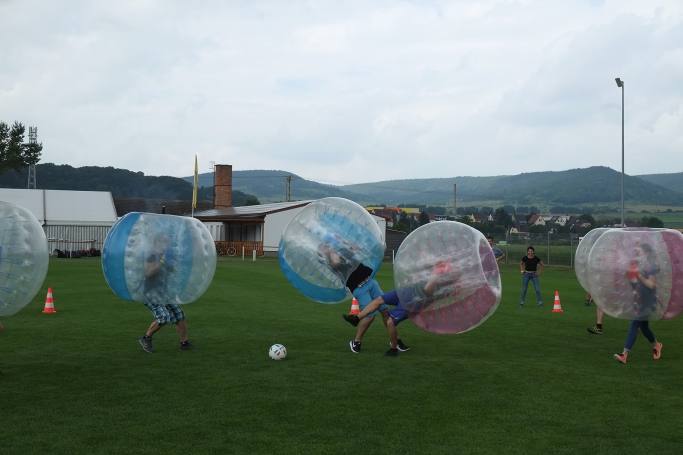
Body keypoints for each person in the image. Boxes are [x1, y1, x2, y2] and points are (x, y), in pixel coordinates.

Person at [319, 239, 409, 354]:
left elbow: (358, 251)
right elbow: (336, 262)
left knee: (385, 311)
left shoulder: (342, 253)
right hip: (359, 289)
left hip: (371, 282)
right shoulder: (331, 262)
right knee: (370, 315)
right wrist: (330, 252)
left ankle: (395, 341)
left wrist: (352, 247)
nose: (329, 246)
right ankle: (356, 342)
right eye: (325, 247)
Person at [342, 261, 451, 356]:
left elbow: (427, 291)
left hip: (412, 300)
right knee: (376, 305)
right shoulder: (340, 260)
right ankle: (356, 323)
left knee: (387, 316)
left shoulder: (441, 286)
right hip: (404, 292)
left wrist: (436, 274)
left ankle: (394, 345)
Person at [138, 233, 192, 353]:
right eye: (163, 242)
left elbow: (172, 271)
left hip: (163, 293)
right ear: (157, 243)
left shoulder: (166, 256)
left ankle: (184, 342)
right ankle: (146, 338)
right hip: (150, 294)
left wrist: (173, 265)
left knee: (179, 315)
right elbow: (148, 273)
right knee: (164, 317)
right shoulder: (151, 256)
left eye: (167, 243)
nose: (166, 245)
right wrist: (162, 262)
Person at [614, 243, 663, 364]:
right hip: (641, 300)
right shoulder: (638, 266)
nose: (636, 255)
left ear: (646, 253)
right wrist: (629, 276)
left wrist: (638, 275)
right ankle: (657, 345)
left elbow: (651, 285)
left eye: (638, 252)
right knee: (644, 327)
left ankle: (624, 354)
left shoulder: (651, 266)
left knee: (635, 324)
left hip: (648, 301)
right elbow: (635, 283)